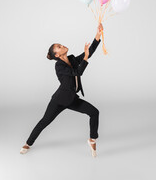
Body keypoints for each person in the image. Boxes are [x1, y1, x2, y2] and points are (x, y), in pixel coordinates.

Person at [20, 23, 103, 157]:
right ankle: (28, 143)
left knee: (94, 112)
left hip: (71, 99)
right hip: (59, 100)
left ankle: (92, 140)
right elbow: (78, 72)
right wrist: (86, 57)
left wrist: (98, 35)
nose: (62, 45)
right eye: (59, 47)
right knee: (44, 121)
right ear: (57, 55)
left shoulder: (72, 59)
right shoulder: (59, 66)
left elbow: (89, 52)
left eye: (61, 44)